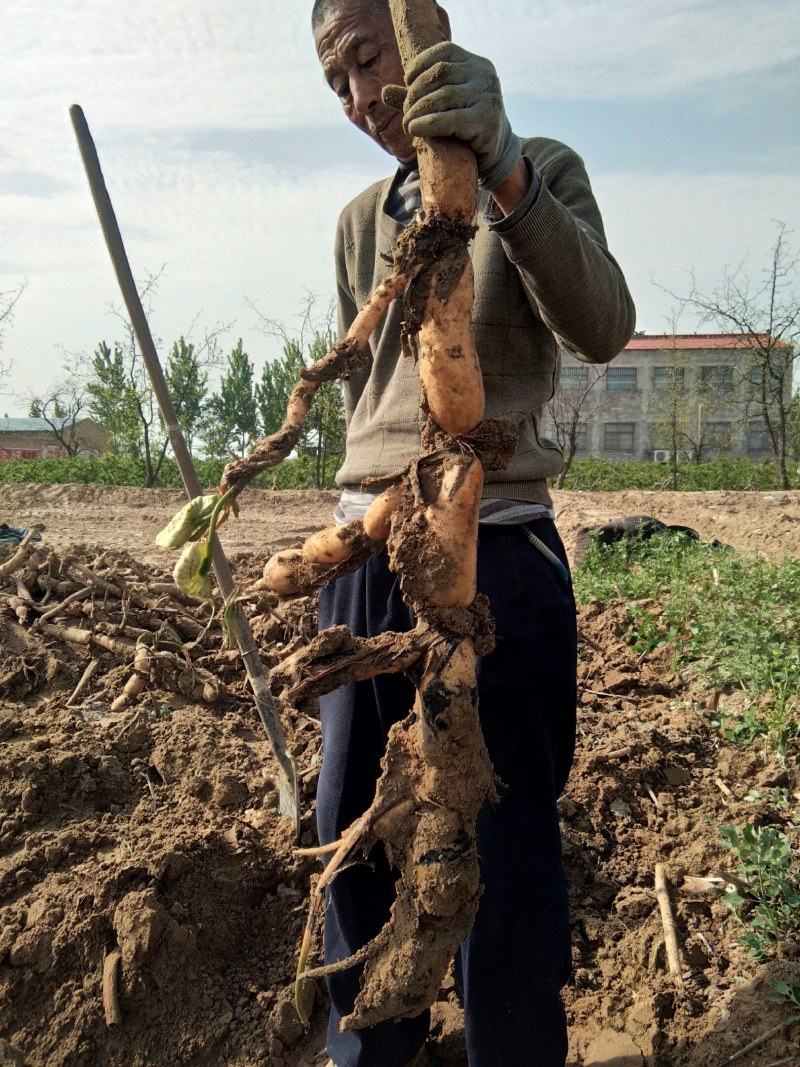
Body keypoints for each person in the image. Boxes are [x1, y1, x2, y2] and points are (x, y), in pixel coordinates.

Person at [309, 2, 636, 1065]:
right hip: (364, 556)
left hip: (497, 548)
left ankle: (512, 1046)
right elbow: (376, 400)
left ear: (417, 38)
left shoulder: (541, 165)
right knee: (351, 832)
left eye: (370, 59)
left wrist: (500, 172)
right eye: (336, 82)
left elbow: (601, 323)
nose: (360, 99)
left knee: (503, 845)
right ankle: (367, 1046)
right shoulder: (361, 219)